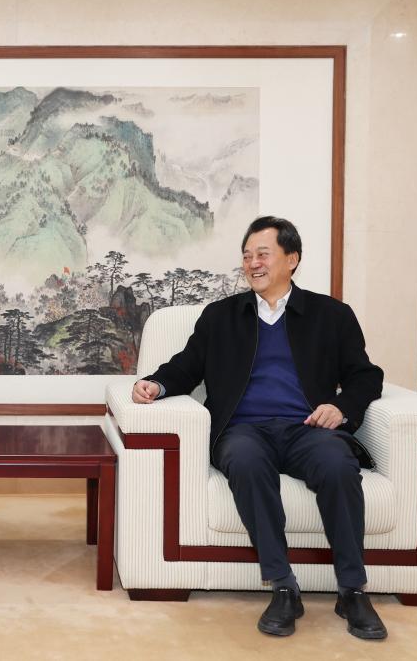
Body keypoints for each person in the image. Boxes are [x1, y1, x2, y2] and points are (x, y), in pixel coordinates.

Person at [132, 216, 387, 640]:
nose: (253, 263)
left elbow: (366, 376)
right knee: (245, 461)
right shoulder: (221, 316)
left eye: (263, 254)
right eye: (247, 256)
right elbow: (186, 367)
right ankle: (283, 586)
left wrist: (340, 409)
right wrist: (156, 384)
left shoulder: (331, 315)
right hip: (244, 430)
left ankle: (352, 590)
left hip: (307, 429)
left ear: (292, 259)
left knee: (338, 465)